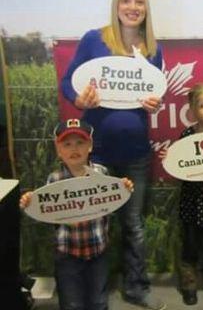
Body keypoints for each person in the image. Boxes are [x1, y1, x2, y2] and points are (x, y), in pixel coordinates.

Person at [61, 0, 166, 310]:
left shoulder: (153, 49)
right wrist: (78, 98)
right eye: (126, 1)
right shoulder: (95, 40)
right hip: (100, 151)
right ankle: (97, 293)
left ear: (146, 8)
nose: (133, 7)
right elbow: (68, 81)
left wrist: (155, 104)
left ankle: (136, 287)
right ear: (116, 5)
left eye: (139, 2)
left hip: (136, 152)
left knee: (133, 226)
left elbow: (153, 95)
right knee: (97, 224)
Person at [20, 118, 134, 310]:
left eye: (80, 142)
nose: (74, 149)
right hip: (67, 253)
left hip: (98, 250)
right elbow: (45, 208)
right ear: (59, 150)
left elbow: (113, 200)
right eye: (67, 144)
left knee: (98, 300)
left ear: (89, 146)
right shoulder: (54, 180)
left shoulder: (102, 173)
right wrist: (31, 201)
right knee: (71, 303)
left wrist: (123, 188)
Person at [161, 83, 203, 306]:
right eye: (202, 106)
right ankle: (189, 285)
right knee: (189, 243)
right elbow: (179, 161)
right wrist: (169, 157)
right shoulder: (187, 135)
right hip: (192, 200)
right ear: (192, 109)